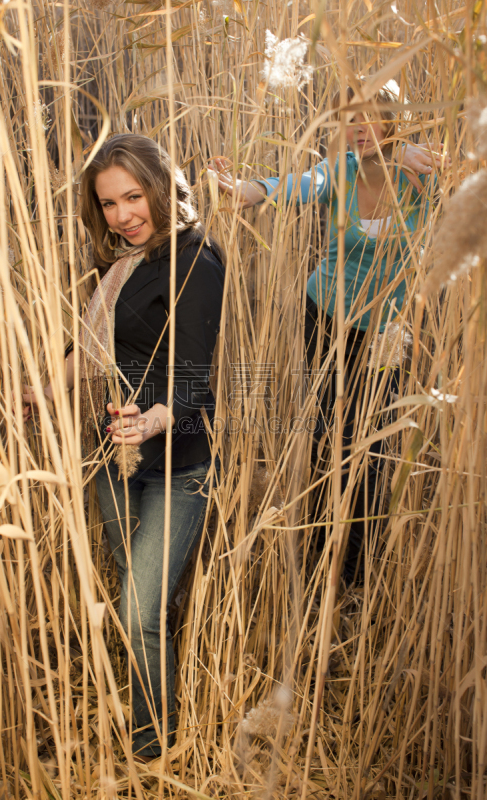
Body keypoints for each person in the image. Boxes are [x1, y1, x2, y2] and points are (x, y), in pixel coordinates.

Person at [23, 134, 225, 758]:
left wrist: (155, 420)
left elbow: (194, 374)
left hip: (178, 458)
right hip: (112, 455)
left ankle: (152, 745)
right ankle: (153, 709)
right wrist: (39, 392)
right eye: (108, 203)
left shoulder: (198, 257)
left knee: (140, 607)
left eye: (134, 197)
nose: (122, 215)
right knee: (138, 599)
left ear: (163, 188)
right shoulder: (118, 266)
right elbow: (86, 343)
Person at [212, 83, 442, 583]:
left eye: (369, 117)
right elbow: (296, 184)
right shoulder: (337, 173)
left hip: (385, 332)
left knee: (372, 446)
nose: (357, 128)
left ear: (391, 120)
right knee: (327, 437)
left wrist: (406, 153)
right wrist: (246, 191)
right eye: (347, 119)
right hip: (326, 318)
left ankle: (355, 568)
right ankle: (320, 552)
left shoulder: (421, 177)